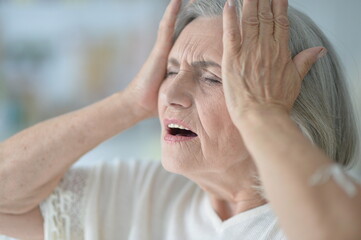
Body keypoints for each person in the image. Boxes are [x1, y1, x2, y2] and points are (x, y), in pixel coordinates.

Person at [0, 0, 360, 239]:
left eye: (212, 78)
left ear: (284, 101)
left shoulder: (314, 213)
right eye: (171, 72)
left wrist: (261, 112)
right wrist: (128, 103)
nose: (171, 95)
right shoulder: (144, 192)